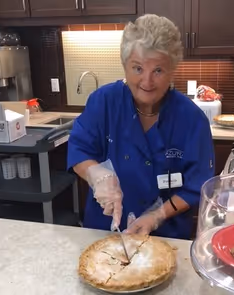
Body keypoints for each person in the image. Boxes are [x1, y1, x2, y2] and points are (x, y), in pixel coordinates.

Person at [67, 14, 215, 240]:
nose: (147, 82)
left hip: (166, 236)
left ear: (172, 70)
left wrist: (157, 216)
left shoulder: (192, 120)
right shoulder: (103, 102)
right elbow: (79, 151)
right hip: (104, 231)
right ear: (124, 65)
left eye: (158, 70)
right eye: (137, 69)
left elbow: (196, 187)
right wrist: (95, 174)